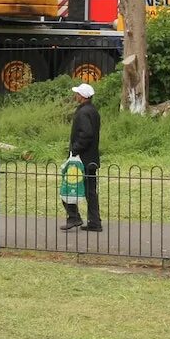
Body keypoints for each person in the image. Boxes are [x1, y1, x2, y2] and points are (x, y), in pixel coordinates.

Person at [61, 82, 103, 232]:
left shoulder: (83, 112)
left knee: (68, 187)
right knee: (90, 191)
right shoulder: (93, 111)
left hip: (81, 159)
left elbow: (86, 134)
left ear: (83, 96)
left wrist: (75, 149)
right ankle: (95, 222)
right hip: (91, 159)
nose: (76, 96)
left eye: (77, 94)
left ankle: (74, 217)